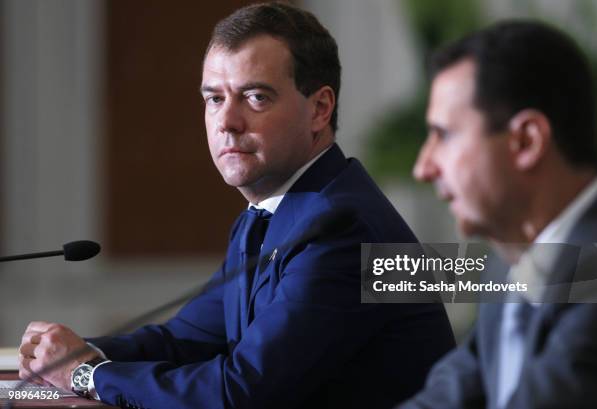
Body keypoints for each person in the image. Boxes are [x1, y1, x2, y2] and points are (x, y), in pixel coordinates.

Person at [18, 3, 454, 409]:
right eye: (215, 98)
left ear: (320, 109)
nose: (226, 121)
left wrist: (86, 375)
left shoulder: (341, 227)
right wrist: (74, 354)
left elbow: (240, 392)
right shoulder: (270, 213)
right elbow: (186, 339)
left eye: (255, 97)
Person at [398, 20, 597, 409]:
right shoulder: (506, 263)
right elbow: (453, 392)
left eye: (443, 135)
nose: (423, 167)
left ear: (527, 141)